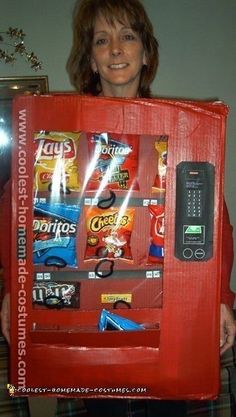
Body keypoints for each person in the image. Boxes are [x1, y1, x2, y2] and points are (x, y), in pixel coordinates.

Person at [0, 0, 235, 416]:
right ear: (90, 58)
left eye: (128, 36)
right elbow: (16, 209)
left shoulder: (180, 129)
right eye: (102, 40)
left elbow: (214, 221)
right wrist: (12, 291)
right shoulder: (60, 129)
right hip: (87, 310)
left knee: (170, 405)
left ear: (146, 53)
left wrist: (220, 297)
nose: (115, 49)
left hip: (169, 309)